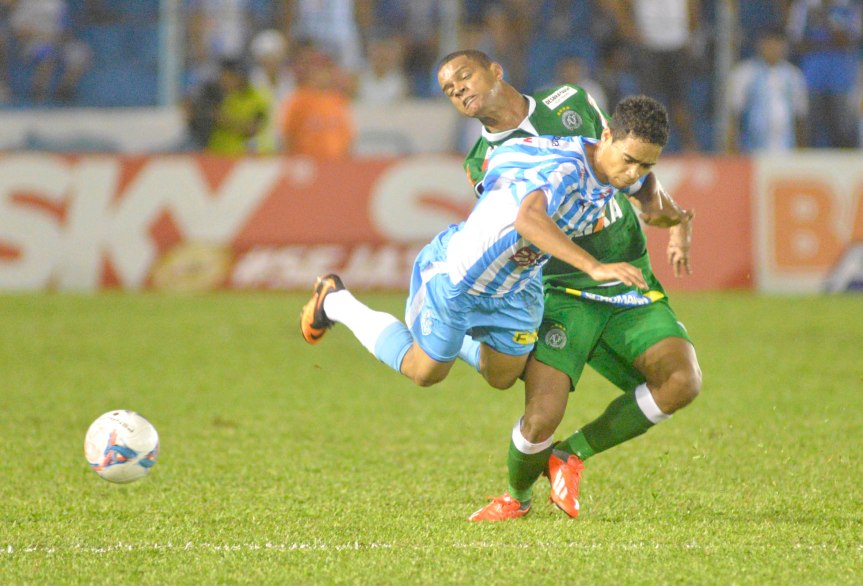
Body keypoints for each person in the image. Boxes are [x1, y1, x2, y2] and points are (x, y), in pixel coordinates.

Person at [434, 50, 700, 522]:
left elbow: (631, 161)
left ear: (497, 69)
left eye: (464, 75)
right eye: (448, 87)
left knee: (681, 380)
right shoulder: (484, 160)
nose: (457, 88)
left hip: (626, 274)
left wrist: (677, 217)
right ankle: (517, 497)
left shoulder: (569, 101)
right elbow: (523, 224)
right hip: (559, 289)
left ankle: (569, 455)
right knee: (540, 417)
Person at [299, 107, 655, 395]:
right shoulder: (564, 170)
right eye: (630, 160)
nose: (633, 172)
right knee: (425, 372)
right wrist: (593, 267)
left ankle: (452, 340)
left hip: (517, 283)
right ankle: (335, 300)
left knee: (501, 377)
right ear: (606, 135)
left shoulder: (612, 166)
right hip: (461, 277)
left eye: (645, 165)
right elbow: (528, 219)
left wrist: (676, 220)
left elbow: (643, 185)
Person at [787, 0, 862, 148]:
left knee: (843, 130)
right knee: (810, 129)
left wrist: (826, 17)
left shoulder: (849, 6)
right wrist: (830, 44)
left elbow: (848, 42)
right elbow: (796, 43)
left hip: (841, 80)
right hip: (811, 78)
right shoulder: (803, 6)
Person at [727, 27, 809, 153]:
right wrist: (732, 149)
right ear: (760, 45)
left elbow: (799, 118)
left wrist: (801, 151)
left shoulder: (794, 76)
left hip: (786, 150)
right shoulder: (744, 73)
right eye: (769, 43)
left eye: (778, 44)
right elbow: (734, 116)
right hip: (752, 150)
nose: (773, 48)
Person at [280, 47, 354, 159]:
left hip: (335, 164)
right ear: (310, 72)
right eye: (319, 70)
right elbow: (288, 135)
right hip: (307, 165)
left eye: (327, 70)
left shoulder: (337, 100)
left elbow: (346, 136)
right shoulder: (298, 100)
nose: (324, 75)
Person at [205, 57, 273, 155]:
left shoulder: (257, 98)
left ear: (238, 77)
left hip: (241, 160)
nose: (222, 80)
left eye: (227, 76)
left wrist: (226, 120)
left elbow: (253, 128)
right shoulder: (217, 95)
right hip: (215, 156)